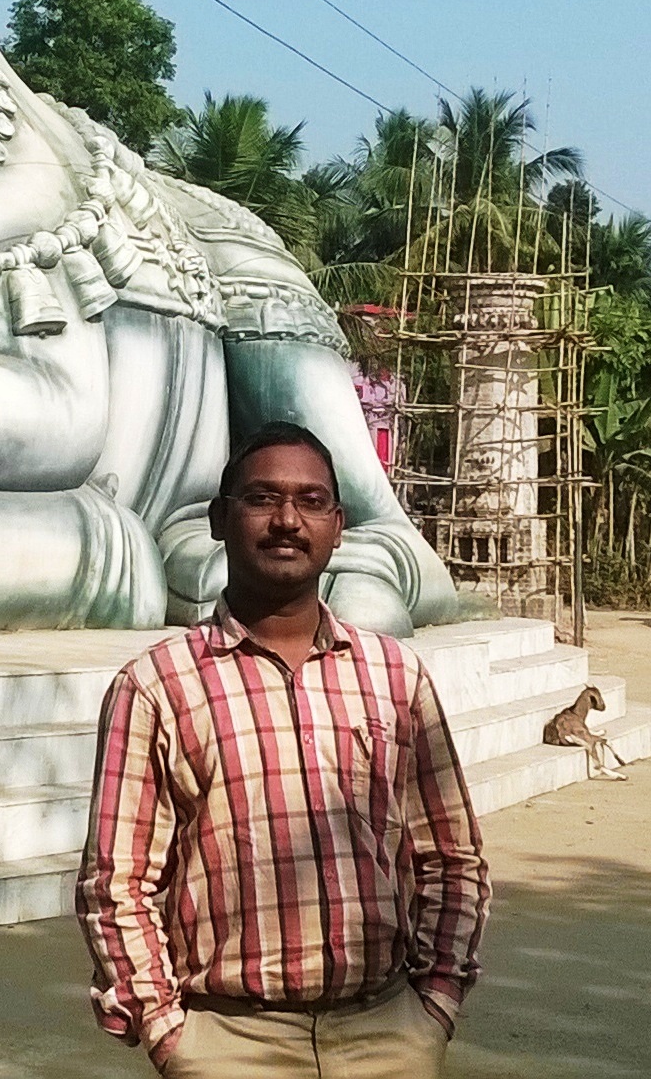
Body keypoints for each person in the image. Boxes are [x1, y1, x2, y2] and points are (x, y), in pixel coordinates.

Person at [76, 421, 491, 1077]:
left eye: (311, 501)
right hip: (229, 1042)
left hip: (387, 1035)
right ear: (219, 519)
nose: (288, 521)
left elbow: (451, 856)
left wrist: (435, 1002)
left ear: (338, 525)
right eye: (262, 498)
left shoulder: (393, 675)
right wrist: (167, 1031)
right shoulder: (157, 685)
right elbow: (116, 882)